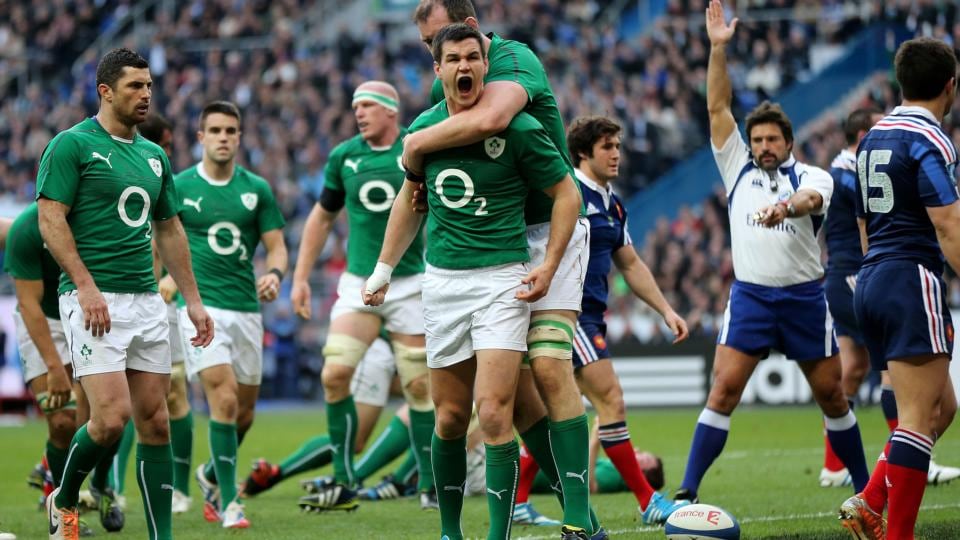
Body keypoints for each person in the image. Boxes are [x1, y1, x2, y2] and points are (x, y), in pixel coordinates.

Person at [364, 23, 581, 540]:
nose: (464, 67)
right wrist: (383, 270)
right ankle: (449, 532)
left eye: (472, 58)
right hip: (442, 285)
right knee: (450, 418)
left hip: (502, 283)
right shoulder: (424, 130)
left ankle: (497, 535)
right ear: (437, 71)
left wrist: (547, 266)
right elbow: (408, 202)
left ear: (486, 64)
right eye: (452, 60)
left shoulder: (521, 129)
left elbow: (567, 194)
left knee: (493, 413)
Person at [673, 1, 868, 505]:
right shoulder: (736, 166)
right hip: (753, 298)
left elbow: (810, 200)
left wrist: (787, 208)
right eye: (756, 138)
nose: (761, 145)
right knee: (723, 392)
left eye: (771, 139)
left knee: (832, 394)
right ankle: (687, 491)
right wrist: (718, 50)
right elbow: (718, 109)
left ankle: (867, 488)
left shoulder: (813, 176)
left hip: (805, 298)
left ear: (788, 142)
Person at [37, 47, 214, 540]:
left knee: (155, 422)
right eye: (135, 86)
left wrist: (193, 300)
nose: (146, 94)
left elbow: (171, 231)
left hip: (146, 303)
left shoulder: (154, 156)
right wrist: (86, 285)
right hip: (93, 301)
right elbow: (52, 221)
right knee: (110, 421)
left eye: (149, 86)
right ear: (105, 91)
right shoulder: (71, 145)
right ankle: (65, 500)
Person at [289, 80, 435, 512]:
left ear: (391, 111)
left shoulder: (417, 145)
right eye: (355, 106)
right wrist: (300, 277)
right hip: (358, 284)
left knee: (419, 386)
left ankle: (428, 484)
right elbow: (321, 217)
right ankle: (343, 477)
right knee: (334, 375)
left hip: (411, 285)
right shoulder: (343, 156)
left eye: (368, 105)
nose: (359, 112)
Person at [838, 37, 960, 540]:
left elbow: (865, 219)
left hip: (874, 277)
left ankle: (870, 501)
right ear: (950, 86)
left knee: (942, 408)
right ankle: (896, 534)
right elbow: (948, 223)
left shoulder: (872, 136)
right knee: (915, 416)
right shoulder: (930, 139)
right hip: (910, 276)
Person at [162, 100, 287, 529]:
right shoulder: (178, 185)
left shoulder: (257, 189)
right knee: (225, 399)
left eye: (230, 131)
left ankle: (211, 475)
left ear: (239, 136)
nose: (222, 137)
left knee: (244, 414)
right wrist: (166, 278)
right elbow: (160, 237)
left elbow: (276, 245)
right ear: (200, 137)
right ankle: (231, 502)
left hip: (246, 310)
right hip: (200, 308)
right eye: (214, 130)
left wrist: (274, 273)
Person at [821, 108, 960, 490]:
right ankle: (906, 466)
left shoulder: (850, 168)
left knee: (853, 370)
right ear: (865, 132)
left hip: (865, 276)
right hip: (878, 275)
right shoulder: (847, 174)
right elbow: (945, 223)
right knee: (895, 386)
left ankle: (845, 470)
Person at [564, 115, 690, 525]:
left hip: (591, 317)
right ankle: (648, 501)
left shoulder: (612, 203)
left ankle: (520, 502)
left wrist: (666, 310)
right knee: (611, 400)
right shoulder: (565, 192)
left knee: (552, 415)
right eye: (606, 147)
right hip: (568, 314)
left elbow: (631, 264)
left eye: (617, 145)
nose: (616, 153)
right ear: (584, 153)